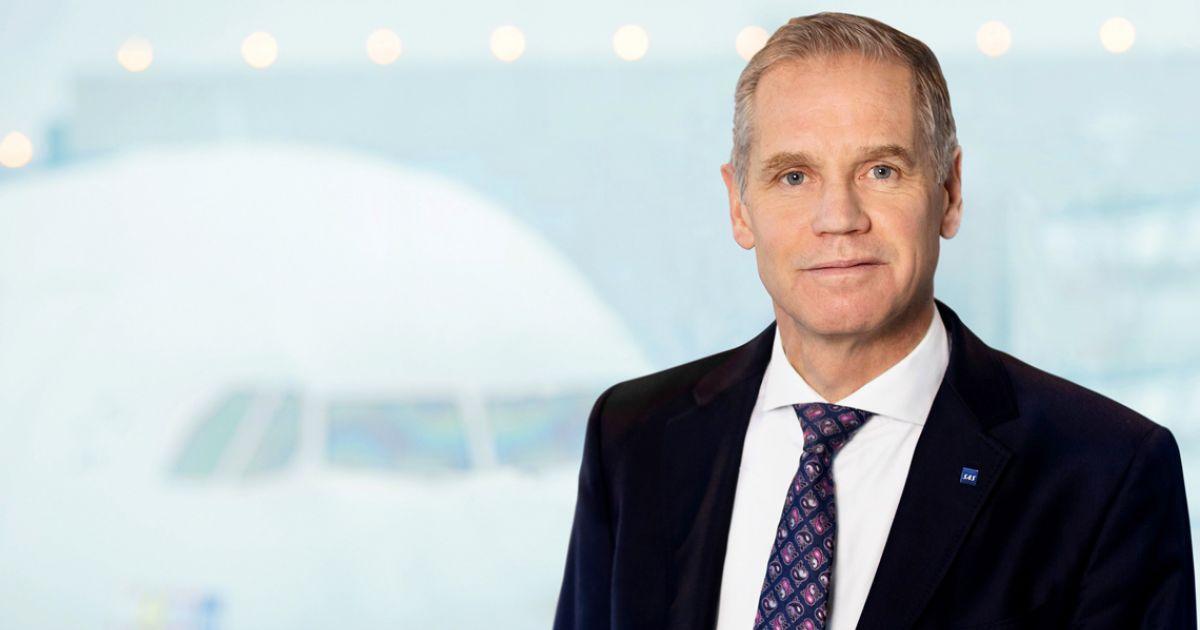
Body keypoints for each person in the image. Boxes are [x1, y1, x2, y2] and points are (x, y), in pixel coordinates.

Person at [552, 11, 1196, 630]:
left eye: (881, 170)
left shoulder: (1105, 471)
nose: (838, 217)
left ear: (949, 191)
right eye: (794, 176)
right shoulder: (632, 439)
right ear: (739, 206)